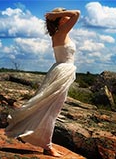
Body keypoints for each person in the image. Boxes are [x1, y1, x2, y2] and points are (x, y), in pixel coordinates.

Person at [5, 8, 80, 157]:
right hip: (62, 70)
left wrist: (56, 16)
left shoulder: (62, 32)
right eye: (63, 15)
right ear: (59, 20)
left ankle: (28, 132)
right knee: (51, 110)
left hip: (62, 70)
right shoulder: (61, 32)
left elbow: (74, 15)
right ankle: (47, 146)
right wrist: (54, 15)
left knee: (49, 107)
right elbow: (77, 13)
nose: (67, 16)